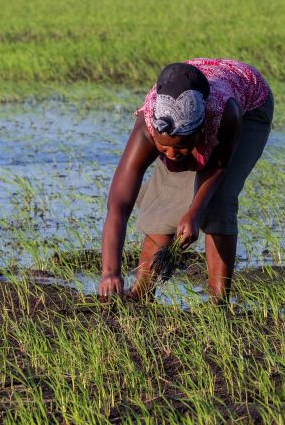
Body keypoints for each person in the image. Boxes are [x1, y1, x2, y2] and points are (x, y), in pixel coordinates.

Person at [98, 58, 274, 302]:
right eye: (164, 146)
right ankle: (142, 293)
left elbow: (219, 165)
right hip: (197, 103)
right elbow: (118, 205)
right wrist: (110, 272)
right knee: (165, 199)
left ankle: (218, 304)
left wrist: (194, 211)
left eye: (180, 147)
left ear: (199, 132)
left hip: (251, 105)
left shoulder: (225, 114)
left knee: (219, 201)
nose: (171, 154)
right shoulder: (148, 126)